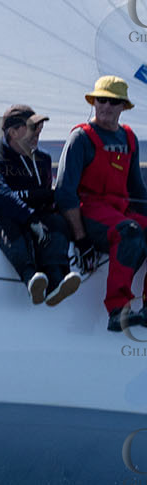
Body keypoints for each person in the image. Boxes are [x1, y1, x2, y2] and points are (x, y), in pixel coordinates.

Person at [55, 76, 147, 331]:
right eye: (101, 100)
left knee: (134, 226)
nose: (105, 106)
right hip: (91, 212)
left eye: (113, 101)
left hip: (120, 212)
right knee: (129, 232)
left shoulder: (129, 138)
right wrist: (81, 239)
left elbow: (137, 188)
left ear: (123, 107)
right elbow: (64, 193)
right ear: (93, 102)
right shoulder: (81, 138)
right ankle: (118, 310)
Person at [0, 104, 81, 306]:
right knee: (5, 220)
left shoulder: (42, 159)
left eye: (39, 127)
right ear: (13, 132)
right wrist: (29, 217)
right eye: (33, 127)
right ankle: (30, 277)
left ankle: (57, 280)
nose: (38, 132)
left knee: (56, 221)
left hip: (30, 217)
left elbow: (44, 199)